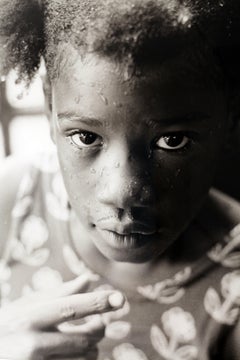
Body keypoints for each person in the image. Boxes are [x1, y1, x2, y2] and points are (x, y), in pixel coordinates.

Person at [1, 0, 240, 359]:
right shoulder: (13, 201)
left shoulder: (232, 293)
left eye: (172, 141)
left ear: (231, 117)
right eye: (85, 137)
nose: (123, 192)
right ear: (50, 107)